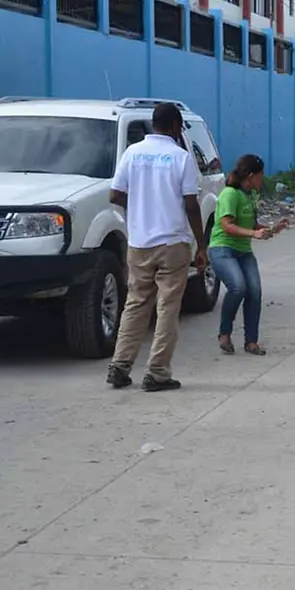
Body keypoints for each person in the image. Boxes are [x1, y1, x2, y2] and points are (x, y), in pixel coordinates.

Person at [106, 102, 207, 392]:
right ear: (175, 126)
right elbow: (191, 204)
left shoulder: (132, 152)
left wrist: (139, 209)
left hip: (139, 243)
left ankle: (119, 366)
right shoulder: (180, 157)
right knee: (167, 308)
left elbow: (115, 194)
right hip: (173, 242)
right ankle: (158, 373)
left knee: (135, 304)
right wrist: (201, 245)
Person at [208, 154, 288, 356]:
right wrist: (254, 233)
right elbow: (226, 226)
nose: (263, 179)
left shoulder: (251, 195)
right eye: (261, 175)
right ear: (251, 176)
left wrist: (271, 229)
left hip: (243, 251)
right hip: (222, 248)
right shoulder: (230, 194)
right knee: (238, 287)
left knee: (254, 291)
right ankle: (224, 333)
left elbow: (250, 225)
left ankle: (251, 341)